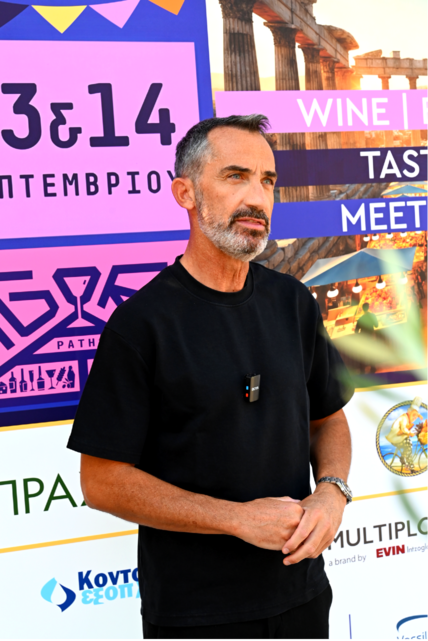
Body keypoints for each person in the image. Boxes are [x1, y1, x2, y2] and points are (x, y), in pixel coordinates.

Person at [67, 115, 354, 641]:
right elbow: (101, 481)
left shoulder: (292, 302)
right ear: (185, 193)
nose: (257, 198)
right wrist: (236, 519)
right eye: (235, 176)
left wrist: (332, 492)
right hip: (195, 614)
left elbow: (328, 419)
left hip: (303, 594)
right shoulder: (141, 325)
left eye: (267, 181)